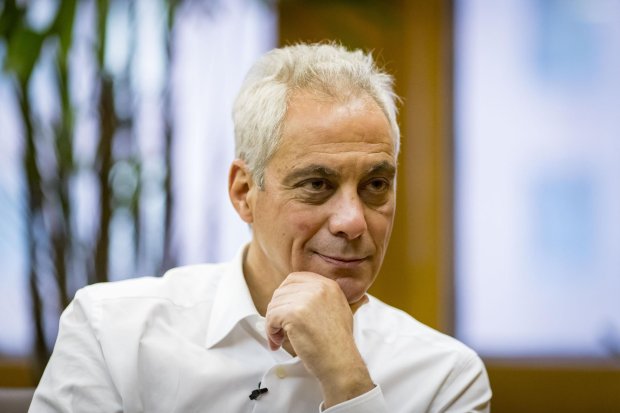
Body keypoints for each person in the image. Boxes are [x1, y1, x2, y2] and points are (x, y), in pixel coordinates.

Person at [30, 43, 492, 412]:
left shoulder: (445, 378)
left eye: (375, 184)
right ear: (244, 192)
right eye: (316, 184)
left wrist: (349, 382)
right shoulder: (113, 332)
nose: (353, 221)